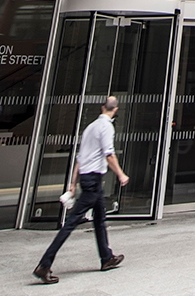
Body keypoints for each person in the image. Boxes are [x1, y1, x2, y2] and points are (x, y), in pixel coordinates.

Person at [33, 96, 129, 283]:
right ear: (115, 110)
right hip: (93, 180)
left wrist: (73, 182)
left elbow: (80, 158)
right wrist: (121, 174)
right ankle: (44, 264)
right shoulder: (106, 127)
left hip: (88, 178)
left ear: (103, 108)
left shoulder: (90, 128)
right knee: (71, 222)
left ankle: (106, 257)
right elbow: (109, 154)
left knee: (100, 219)